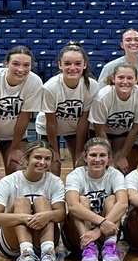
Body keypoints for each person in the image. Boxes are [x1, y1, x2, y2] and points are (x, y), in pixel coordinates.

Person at [0, 46, 44, 252]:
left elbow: (24, 117)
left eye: (26, 65)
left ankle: (12, 223)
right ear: (6, 64)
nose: (21, 69)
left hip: (13, 133)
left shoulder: (34, 82)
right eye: (16, 64)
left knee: (17, 169)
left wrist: (14, 147)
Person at [0, 143, 67, 261]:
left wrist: (46, 216)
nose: (42, 162)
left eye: (47, 159)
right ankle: (26, 255)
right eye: (37, 157)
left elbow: (61, 214)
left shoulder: (55, 181)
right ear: (26, 159)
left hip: (42, 238)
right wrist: (25, 217)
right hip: (12, 244)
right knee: (21, 202)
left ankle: (48, 254)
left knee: (42, 201)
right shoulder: (8, 181)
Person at [64, 137, 129, 261]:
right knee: (82, 201)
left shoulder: (115, 174)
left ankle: (109, 246)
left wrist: (99, 230)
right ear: (85, 157)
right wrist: (101, 223)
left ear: (109, 158)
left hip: (106, 232)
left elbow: (123, 204)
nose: (97, 159)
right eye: (93, 155)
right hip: (78, 234)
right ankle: (88, 247)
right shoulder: (75, 175)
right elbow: (72, 206)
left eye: (102, 155)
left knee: (112, 199)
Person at [35, 43, 97, 175]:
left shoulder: (91, 86)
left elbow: (84, 120)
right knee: (53, 165)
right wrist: (55, 152)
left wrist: (80, 152)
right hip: (49, 129)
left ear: (84, 65)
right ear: (60, 65)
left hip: (75, 127)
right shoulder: (50, 87)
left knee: (81, 164)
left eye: (77, 63)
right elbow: (51, 122)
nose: (72, 68)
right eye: (67, 63)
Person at [89, 62, 138, 175]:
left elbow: (136, 129)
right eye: (121, 77)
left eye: (130, 78)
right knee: (105, 162)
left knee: (125, 165)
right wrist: (109, 156)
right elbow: (99, 130)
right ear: (113, 79)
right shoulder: (103, 96)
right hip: (100, 132)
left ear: (136, 80)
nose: (125, 81)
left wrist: (122, 156)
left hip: (124, 131)